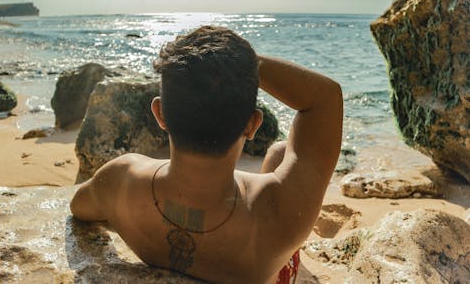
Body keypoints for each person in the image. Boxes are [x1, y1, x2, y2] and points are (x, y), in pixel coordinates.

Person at [70, 26, 343, 284]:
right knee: (281, 151)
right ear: (252, 124)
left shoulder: (121, 179)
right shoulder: (280, 215)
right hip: (261, 258)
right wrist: (240, 64)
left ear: (159, 113)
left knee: (278, 154)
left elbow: (78, 208)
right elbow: (325, 98)